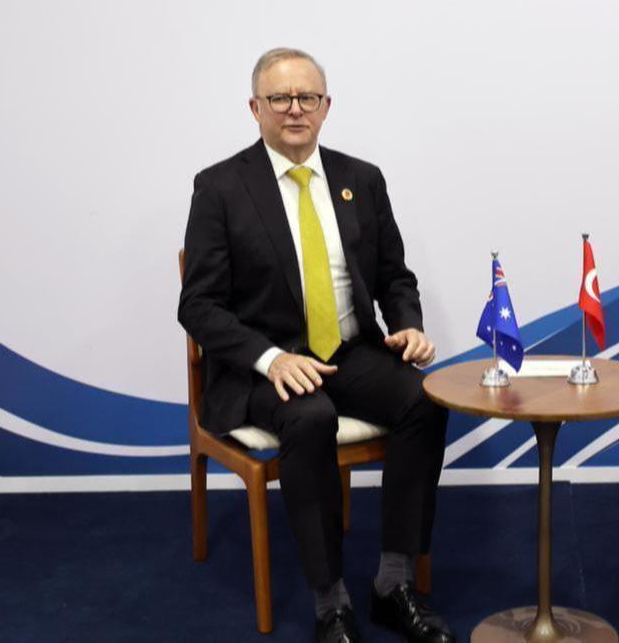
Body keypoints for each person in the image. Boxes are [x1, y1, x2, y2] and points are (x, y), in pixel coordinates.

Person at [179, 48, 454, 643]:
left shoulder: (362, 179)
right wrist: (270, 358)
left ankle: (394, 583)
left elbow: (394, 277)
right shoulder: (220, 187)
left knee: (423, 400)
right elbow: (197, 306)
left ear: (327, 107)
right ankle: (331, 602)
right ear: (255, 108)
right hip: (263, 365)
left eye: (308, 97)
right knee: (310, 418)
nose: (295, 109)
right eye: (280, 98)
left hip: (347, 351)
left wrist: (406, 322)